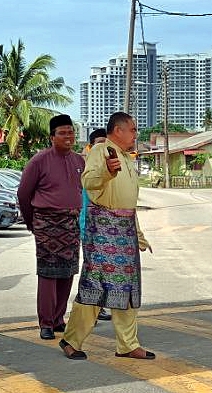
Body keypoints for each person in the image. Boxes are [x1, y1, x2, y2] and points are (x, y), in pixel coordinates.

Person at [59, 112, 155, 361]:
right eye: (133, 130)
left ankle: (128, 344)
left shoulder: (126, 156)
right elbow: (88, 181)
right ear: (118, 130)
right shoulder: (101, 151)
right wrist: (106, 173)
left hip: (125, 229)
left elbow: (129, 203)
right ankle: (71, 340)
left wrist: (139, 234)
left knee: (128, 289)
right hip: (103, 230)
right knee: (95, 288)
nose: (136, 134)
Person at [18, 115, 87, 340]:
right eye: (62, 133)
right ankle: (45, 323)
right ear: (52, 137)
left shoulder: (79, 161)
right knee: (48, 274)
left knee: (67, 272)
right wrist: (32, 223)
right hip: (46, 223)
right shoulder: (39, 160)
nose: (68, 137)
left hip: (70, 223)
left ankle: (58, 319)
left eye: (71, 132)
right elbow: (24, 193)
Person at [81, 128, 112, 322]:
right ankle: (88, 309)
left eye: (105, 143)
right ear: (91, 146)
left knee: (105, 272)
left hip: (110, 230)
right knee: (92, 271)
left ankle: (99, 307)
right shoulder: (88, 172)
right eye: (99, 142)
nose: (103, 147)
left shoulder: (113, 169)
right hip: (90, 229)